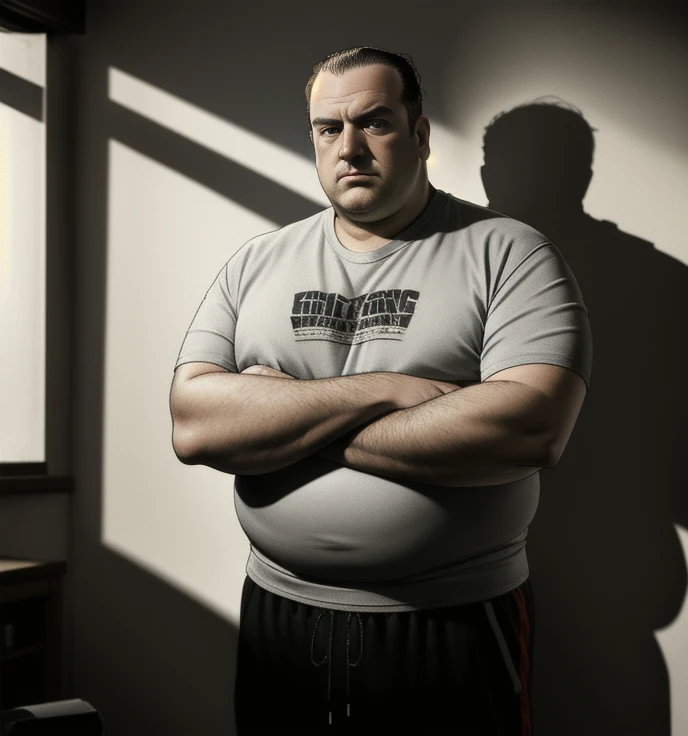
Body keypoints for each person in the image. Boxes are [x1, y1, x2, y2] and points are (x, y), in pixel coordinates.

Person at [169, 46, 592, 735]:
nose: (350, 148)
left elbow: (529, 429)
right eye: (329, 129)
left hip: (451, 623)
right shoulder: (257, 262)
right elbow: (195, 427)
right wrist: (396, 390)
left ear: (419, 134)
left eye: (375, 122)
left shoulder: (510, 253)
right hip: (280, 615)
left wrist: (281, 420)